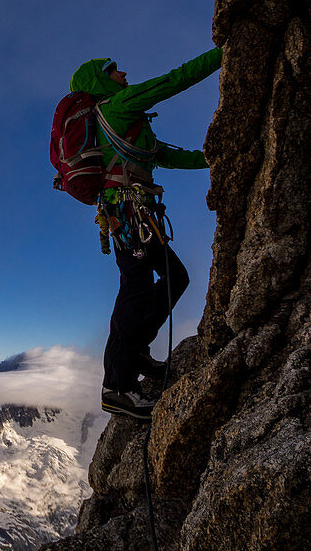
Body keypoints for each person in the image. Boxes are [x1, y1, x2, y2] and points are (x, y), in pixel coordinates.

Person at [68, 48, 222, 419]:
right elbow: (173, 80)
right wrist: (223, 51)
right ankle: (116, 387)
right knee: (135, 289)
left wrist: (215, 156)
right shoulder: (118, 107)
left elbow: (163, 154)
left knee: (175, 278)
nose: (123, 73)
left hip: (136, 216)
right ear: (100, 81)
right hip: (128, 216)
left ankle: (135, 352)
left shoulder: (129, 123)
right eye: (114, 70)